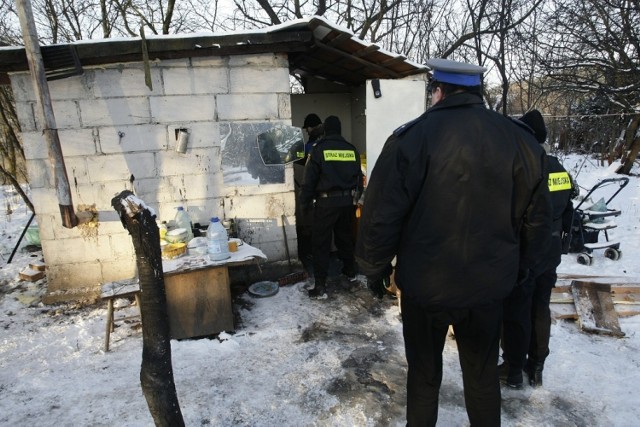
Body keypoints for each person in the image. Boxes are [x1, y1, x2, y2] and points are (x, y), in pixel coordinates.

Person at [355, 58, 552, 425]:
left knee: (424, 379)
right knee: (481, 378)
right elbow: (538, 222)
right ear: (478, 93)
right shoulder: (521, 142)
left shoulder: (410, 139)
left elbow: (380, 216)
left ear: (439, 92)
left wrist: (374, 268)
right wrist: (522, 273)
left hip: (424, 288)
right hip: (487, 288)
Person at [501, 109, 574, 389]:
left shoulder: (529, 167)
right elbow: (568, 209)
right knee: (540, 306)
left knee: (517, 309)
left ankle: (513, 368)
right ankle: (537, 365)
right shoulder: (559, 168)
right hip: (551, 250)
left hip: (527, 248)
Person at [301, 115, 364, 299]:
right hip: (347, 203)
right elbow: (359, 178)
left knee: (320, 242)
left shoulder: (319, 149)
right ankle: (350, 272)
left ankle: (320, 286)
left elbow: (308, 181)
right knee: (345, 237)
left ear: (326, 130)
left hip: (326, 204)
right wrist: (356, 198)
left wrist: (304, 204)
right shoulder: (351, 150)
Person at [289, 114, 324, 276]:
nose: (307, 131)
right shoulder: (329, 138)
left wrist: (289, 155)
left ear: (312, 127)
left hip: (321, 193)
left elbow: (306, 158)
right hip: (335, 193)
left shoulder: (315, 143)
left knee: (320, 229)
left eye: (307, 128)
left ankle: (320, 268)